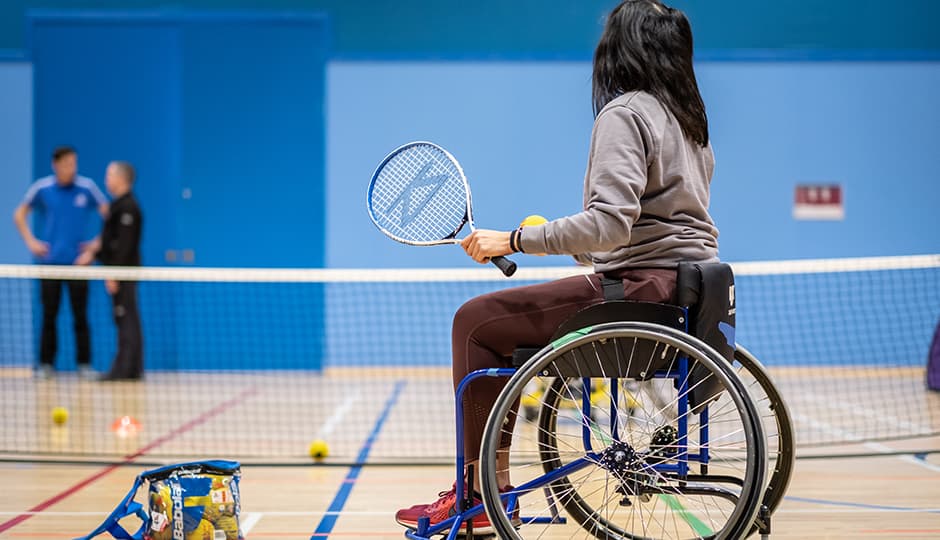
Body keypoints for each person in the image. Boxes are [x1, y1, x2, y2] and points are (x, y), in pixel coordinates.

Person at [395, 0, 719, 534]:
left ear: (620, 48)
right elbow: (656, 225)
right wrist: (594, 250)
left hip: (637, 292)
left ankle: (480, 492)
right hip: (681, 288)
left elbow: (610, 223)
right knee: (492, 319)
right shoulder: (690, 123)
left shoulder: (626, 113)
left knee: (474, 322)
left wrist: (514, 239)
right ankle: (483, 486)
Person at [13, 146, 109, 379]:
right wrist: (31, 242)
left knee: (81, 316)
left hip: (78, 266)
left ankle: (84, 365)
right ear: (55, 164)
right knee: (49, 315)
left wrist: (94, 248)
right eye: (67, 163)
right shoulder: (42, 188)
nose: (71, 168)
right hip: (51, 264)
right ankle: (46, 365)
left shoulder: (86, 188)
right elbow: (19, 215)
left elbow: (110, 216)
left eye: (74, 163)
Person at [94, 161, 144, 381]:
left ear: (121, 178)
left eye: (109, 175)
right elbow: (109, 241)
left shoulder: (129, 208)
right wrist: (92, 252)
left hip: (124, 273)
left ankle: (127, 369)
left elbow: (124, 245)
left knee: (127, 320)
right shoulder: (116, 206)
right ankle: (128, 368)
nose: (106, 179)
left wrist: (114, 272)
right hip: (118, 271)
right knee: (123, 319)